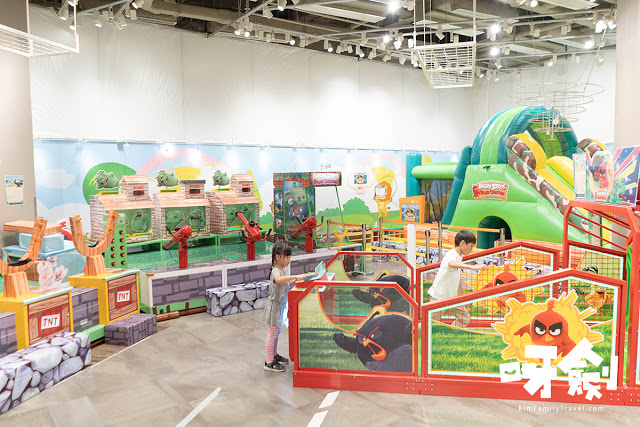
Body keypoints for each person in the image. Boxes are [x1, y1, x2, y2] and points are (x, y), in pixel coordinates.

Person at [427, 230, 487, 328]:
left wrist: (462, 294)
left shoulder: (458, 257)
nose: (471, 249)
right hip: (440, 296)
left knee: (464, 318)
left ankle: (450, 332)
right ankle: (410, 333)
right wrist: (472, 267)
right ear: (462, 243)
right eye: (471, 246)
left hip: (451, 297)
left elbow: (456, 276)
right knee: (428, 323)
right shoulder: (452, 254)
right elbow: (451, 263)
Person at [264, 243, 307, 372]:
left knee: (276, 333)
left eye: (289, 257)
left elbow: (285, 283)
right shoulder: (276, 271)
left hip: (281, 305)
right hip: (275, 306)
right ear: (277, 257)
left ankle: (274, 355)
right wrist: (295, 277)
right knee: (272, 334)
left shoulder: (282, 270)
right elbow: (278, 280)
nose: (289, 260)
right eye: (286, 257)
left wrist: (297, 280)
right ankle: (268, 362)